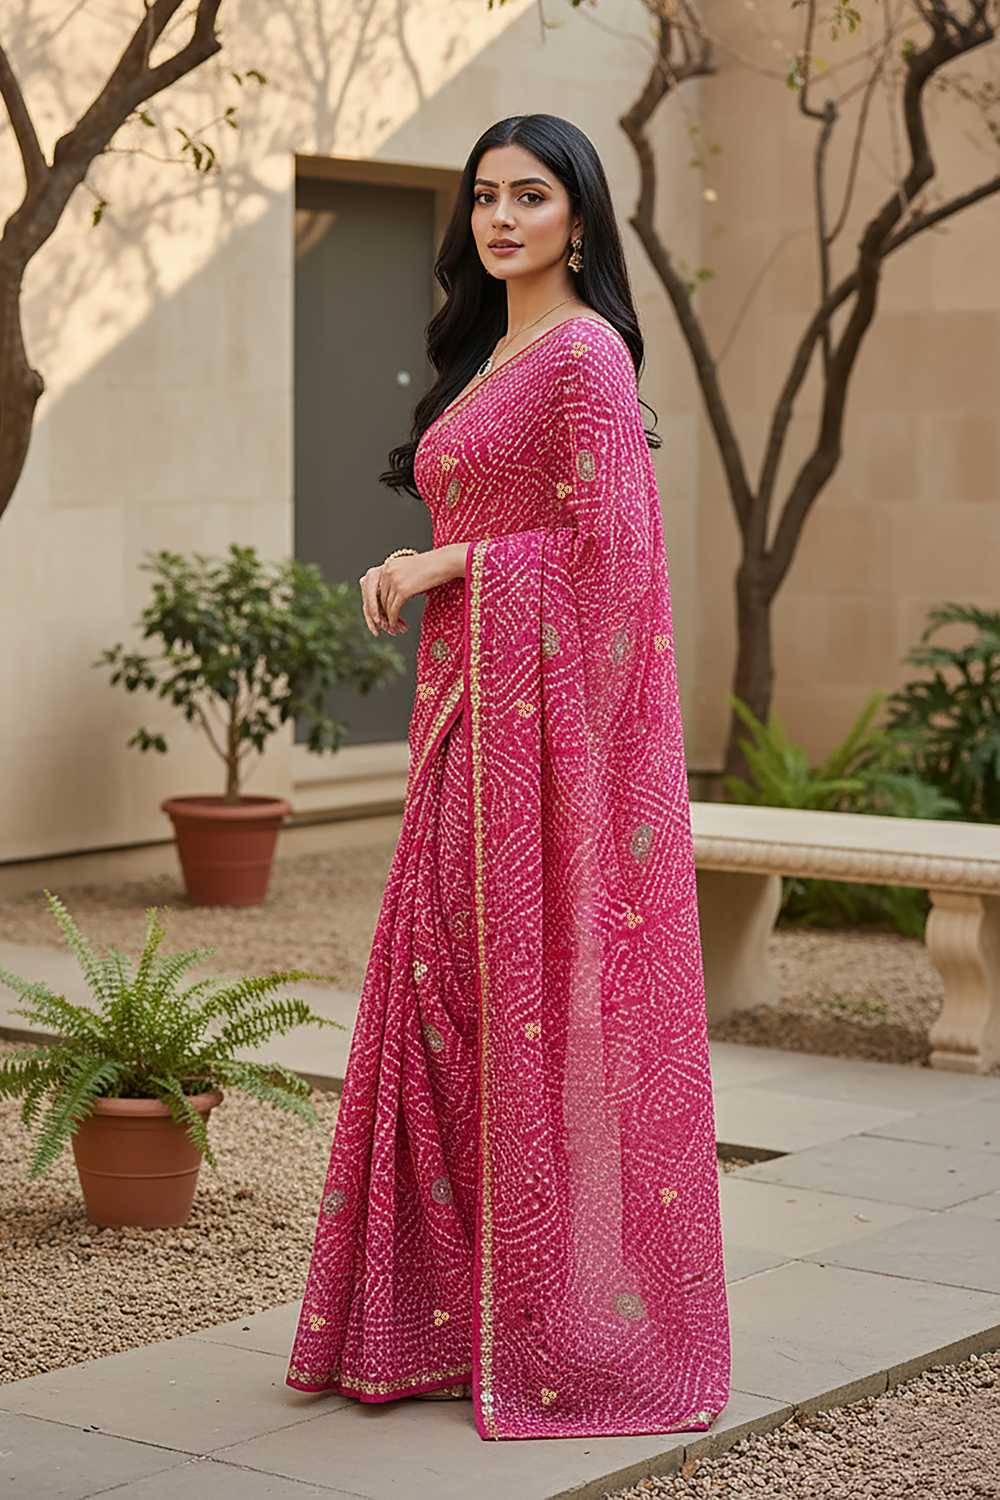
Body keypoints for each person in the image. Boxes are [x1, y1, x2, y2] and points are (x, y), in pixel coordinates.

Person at [287, 113, 730, 1442]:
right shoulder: (495, 349)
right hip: (464, 726)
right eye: (485, 197)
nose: (500, 219)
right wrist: (439, 563)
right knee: (441, 1001)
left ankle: (549, 1322)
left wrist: (446, 565)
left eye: (530, 198)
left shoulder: (588, 354)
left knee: (508, 1010)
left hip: (528, 742)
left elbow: (613, 567)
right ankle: (437, 1316)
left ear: (580, 221)